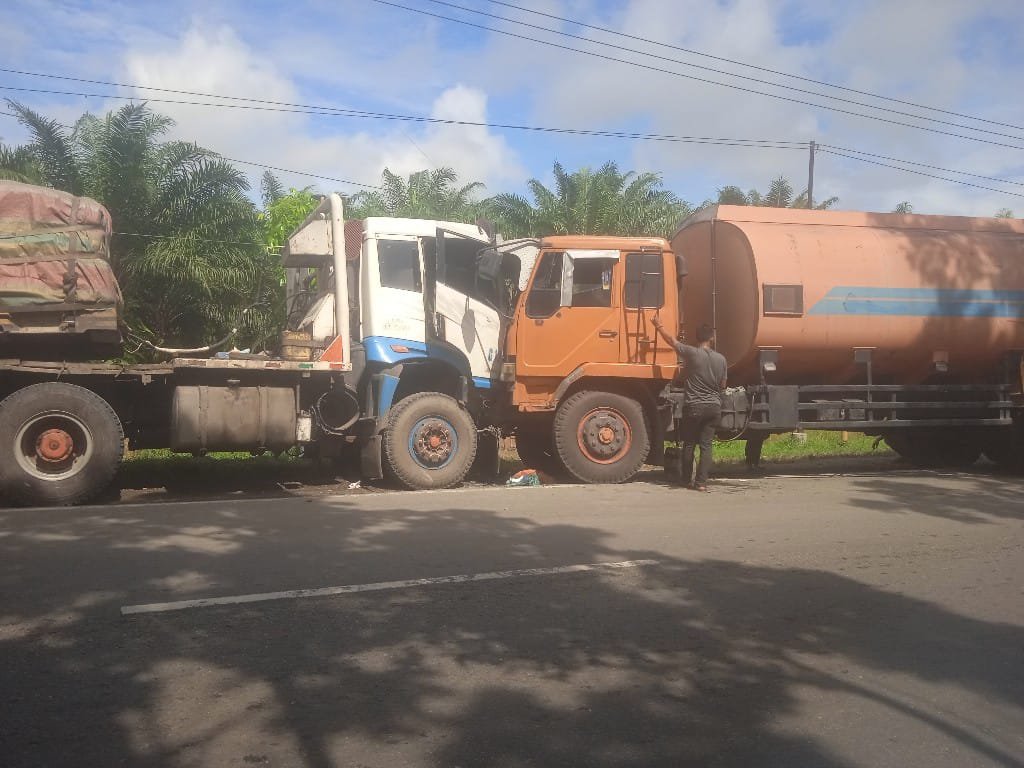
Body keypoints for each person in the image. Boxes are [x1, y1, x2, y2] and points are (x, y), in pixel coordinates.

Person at [652, 317, 728, 491]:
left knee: (689, 444)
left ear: (697, 338)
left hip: (694, 406)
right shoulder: (721, 359)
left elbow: (672, 341)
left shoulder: (692, 353)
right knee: (706, 446)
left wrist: (659, 326)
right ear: (712, 338)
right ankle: (701, 483)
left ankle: (686, 480)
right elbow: (723, 385)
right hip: (714, 407)